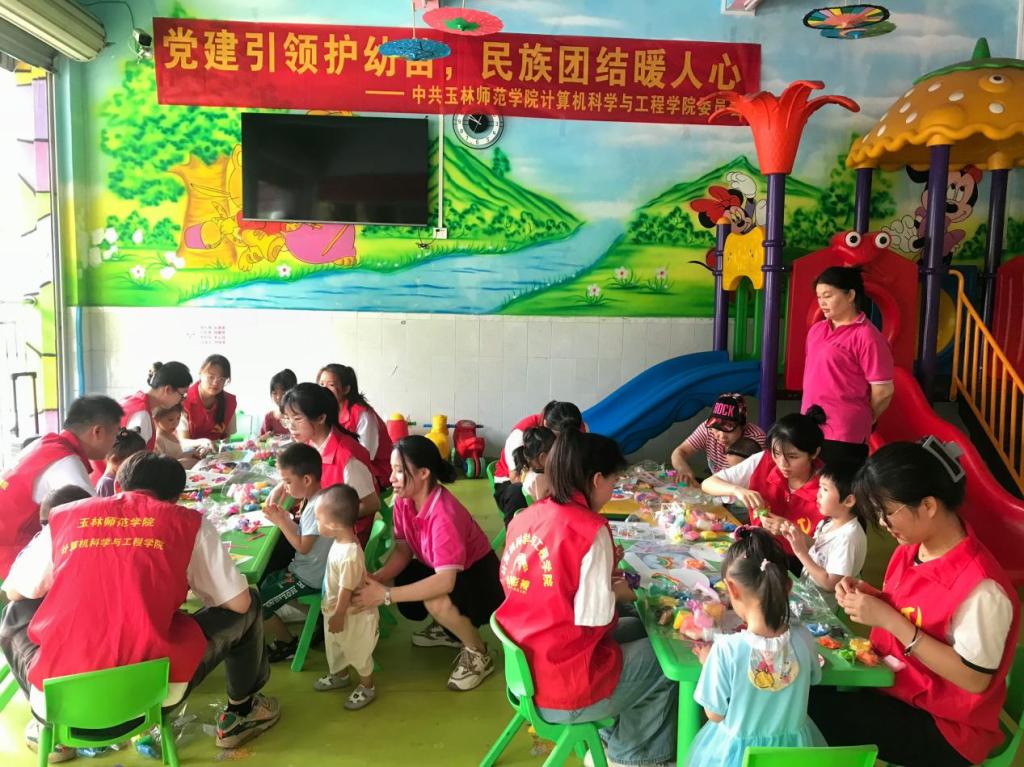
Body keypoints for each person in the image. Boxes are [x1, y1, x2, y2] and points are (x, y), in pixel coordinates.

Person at [0, 452, 280, 759]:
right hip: (153, 694)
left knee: (14, 612)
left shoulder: (65, 516)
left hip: (60, 698)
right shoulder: (187, 523)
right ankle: (242, 713)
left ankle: (51, 731)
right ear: (174, 499)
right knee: (250, 603)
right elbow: (238, 603)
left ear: (117, 486)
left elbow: (13, 590)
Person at [809, 441, 1020, 767]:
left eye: (887, 512)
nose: (882, 523)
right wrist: (870, 597)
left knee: (810, 710)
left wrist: (890, 620)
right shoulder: (911, 550)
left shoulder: (983, 589)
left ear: (929, 505)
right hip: (894, 687)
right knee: (799, 689)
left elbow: (974, 679)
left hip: (947, 727)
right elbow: (912, 608)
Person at [495, 429, 678, 767]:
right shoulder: (589, 528)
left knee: (642, 628)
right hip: (564, 683)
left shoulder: (527, 517)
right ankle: (633, 757)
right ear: (596, 479)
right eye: (614, 482)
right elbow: (596, 616)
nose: (613, 491)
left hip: (530, 662)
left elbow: (548, 585)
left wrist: (599, 578)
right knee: (668, 662)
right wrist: (620, 590)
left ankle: (612, 737)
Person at [352, 436, 502, 692]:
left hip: (480, 581)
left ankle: (478, 651)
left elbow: (445, 582)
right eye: (392, 470)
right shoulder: (403, 500)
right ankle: (449, 627)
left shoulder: (443, 515)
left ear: (424, 473)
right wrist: (379, 577)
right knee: (401, 577)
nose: (391, 478)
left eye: (399, 471)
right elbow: (403, 549)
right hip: (445, 570)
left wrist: (385, 595)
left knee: (435, 598)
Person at [688, 527, 825, 767]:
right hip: (793, 757)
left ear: (732, 589)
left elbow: (715, 714)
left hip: (737, 758)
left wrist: (708, 664)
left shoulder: (726, 649)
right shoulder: (804, 638)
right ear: (787, 587)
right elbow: (813, 678)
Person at [0, 395, 122, 579]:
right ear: (97, 432)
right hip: (10, 559)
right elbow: (95, 521)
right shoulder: (65, 461)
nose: (115, 443)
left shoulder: (45, 443)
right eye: (115, 434)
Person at [701, 408, 826, 562]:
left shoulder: (828, 487)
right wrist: (738, 490)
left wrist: (792, 531)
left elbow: (828, 553)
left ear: (814, 453)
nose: (782, 464)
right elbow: (708, 484)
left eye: (793, 456)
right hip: (759, 550)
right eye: (776, 453)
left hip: (802, 564)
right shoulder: (764, 461)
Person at [802, 266, 895, 465]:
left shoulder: (867, 336)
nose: (822, 303)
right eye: (819, 297)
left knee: (838, 483)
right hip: (809, 425)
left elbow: (884, 391)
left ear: (850, 295)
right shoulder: (816, 330)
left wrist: (867, 417)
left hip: (844, 432)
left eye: (828, 296)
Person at [278, 383, 380, 547]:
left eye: (297, 419)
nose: (291, 426)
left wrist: (328, 517)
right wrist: (281, 485)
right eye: (287, 419)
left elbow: (372, 504)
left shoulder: (348, 457)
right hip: (321, 527)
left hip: (344, 541)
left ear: (321, 418)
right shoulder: (311, 442)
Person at [259, 443, 333, 663]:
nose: (285, 487)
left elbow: (303, 546)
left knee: (258, 604)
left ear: (306, 480)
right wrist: (283, 518)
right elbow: (303, 535)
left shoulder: (315, 507)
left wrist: (282, 522)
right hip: (309, 571)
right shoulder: (317, 498)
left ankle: (286, 643)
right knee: (268, 582)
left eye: (288, 482)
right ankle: (318, 615)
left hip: (309, 578)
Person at [315, 483, 380, 710]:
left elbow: (346, 589)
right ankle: (341, 675)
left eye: (318, 519)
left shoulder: (350, 553)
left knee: (357, 650)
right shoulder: (340, 542)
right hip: (334, 609)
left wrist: (339, 615)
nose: (316, 523)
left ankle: (367, 685)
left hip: (351, 614)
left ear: (332, 525)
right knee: (335, 647)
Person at [782, 461, 870, 609]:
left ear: (848, 500)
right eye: (819, 487)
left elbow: (830, 583)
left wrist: (801, 552)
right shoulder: (830, 522)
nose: (818, 494)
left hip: (820, 609)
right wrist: (797, 535)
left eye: (825, 489)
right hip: (807, 596)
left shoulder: (848, 538)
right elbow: (821, 549)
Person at [493, 400, 585, 525]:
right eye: (559, 436)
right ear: (545, 424)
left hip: (549, 477)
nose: (564, 443)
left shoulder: (579, 427)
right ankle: (517, 532)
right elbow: (516, 478)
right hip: (512, 482)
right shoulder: (520, 435)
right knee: (518, 492)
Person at [317, 364, 393, 488]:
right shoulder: (327, 411)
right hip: (346, 465)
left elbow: (366, 455)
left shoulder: (363, 414)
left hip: (376, 472)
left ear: (346, 389)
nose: (324, 390)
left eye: (331, 385)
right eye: (321, 384)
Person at [671, 394, 767, 484]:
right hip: (717, 486)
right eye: (716, 427)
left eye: (729, 428)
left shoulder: (756, 440)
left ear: (743, 426)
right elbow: (680, 452)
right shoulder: (708, 429)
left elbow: (760, 481)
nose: (721, 436)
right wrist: (683, 470)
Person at [120, 361, 193, 450]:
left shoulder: (136, 400)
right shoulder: (142, 416)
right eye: (182, 394)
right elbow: (134, 457)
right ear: (168, 390)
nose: (182, 400)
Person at [181, 354, 237, 443]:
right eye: (211, 377)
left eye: (222, 379)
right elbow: (182, 441)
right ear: (200, 373)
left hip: (218, 451)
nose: (215, 383)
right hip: (187, 451)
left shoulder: (229, 402)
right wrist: (204, 443)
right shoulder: (184, 400)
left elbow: (227, 438)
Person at [154, 403, 211, 469]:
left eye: (178, 418)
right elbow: (161, 465)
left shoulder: (171, 435)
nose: (175, 423)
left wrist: (192, 454)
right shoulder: (159, 440)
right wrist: (181, 462)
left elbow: (178, 454)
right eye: (170, 420)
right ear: (156, 419)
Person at [96, 428, 147, 497]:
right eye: (132, 463)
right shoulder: (107, 484)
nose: (137, 467)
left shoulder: (124, 479)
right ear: (115, 460)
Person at [512, 426, 556, 503]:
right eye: (555, 454)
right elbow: (545, 505)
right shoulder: (541, 480)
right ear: (543, 458)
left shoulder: (527, 469)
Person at [261, 368, 297, 437]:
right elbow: (261, 440)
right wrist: (266, 437)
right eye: (275, 393)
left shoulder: (300, 416)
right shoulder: (269, 417)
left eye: (283, 393)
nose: (278, 397)